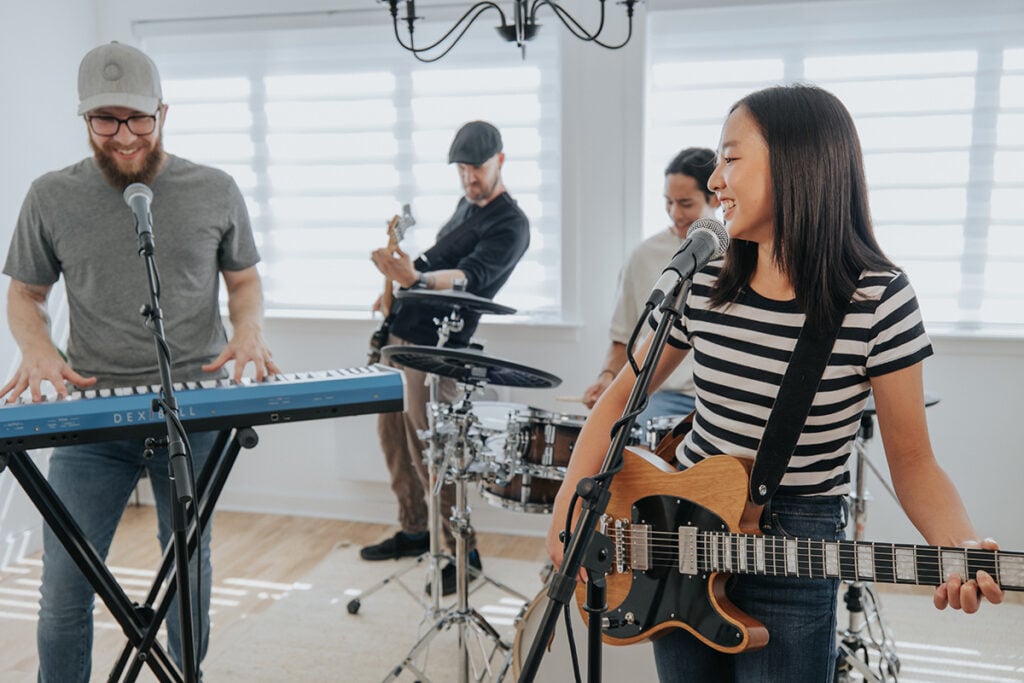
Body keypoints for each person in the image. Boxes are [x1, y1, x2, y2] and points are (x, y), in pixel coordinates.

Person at [547, 84, 1004, 682]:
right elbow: (619, 401)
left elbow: (914, 461)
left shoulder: (877, 298)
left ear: (796, 164)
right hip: (678, 525)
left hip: (794, 542)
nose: (714, 181)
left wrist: (958, 545)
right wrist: (567, 507)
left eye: (730, 158)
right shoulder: (706, 274)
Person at [0, 42, 277, 682]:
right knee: (66, 584)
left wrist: (250, 328)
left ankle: (186, 677)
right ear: (85, 120)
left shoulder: (214, 189)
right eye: (106, 120)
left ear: (163, 112)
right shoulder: (50, 196)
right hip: (95, 421)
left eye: (138, 119)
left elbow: (243, 282)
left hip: (195, 408)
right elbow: (25, 293)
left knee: (188, 566)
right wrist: (37, 345)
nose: (123, 136)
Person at [362, 121, 530, 596]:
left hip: (436, 352)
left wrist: (415, 278)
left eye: (476, 167)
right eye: (461, 169)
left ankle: (464, 552)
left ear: (500, 160)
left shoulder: (510, 223)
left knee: (433, 455)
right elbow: (434, 262)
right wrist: (400, 281)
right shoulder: (464, 207)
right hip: (401, 336)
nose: (468, 178)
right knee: (394, 442)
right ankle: (415, 530)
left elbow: (469, 278)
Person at [582, 147, 721, 430]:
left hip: (714, 399)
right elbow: (623, 338)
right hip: (660, 398)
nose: (674, 213)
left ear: (715, 198)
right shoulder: (643, 256)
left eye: (685, 203)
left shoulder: (739, 255)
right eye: (668, 202)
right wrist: (607, 377)